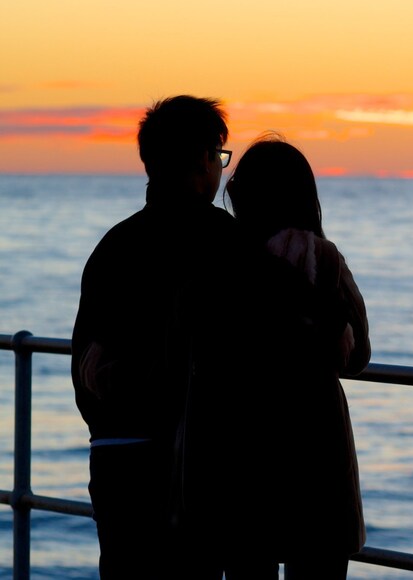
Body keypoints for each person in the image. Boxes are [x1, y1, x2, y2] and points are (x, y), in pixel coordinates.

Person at [70, 95, 243, 579]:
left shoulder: (114, 245)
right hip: (192, 465)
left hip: (115, 458)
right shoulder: (223, 241)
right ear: (204, 158)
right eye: (220, 157)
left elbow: (84, 361)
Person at [209, 133, 370, 579]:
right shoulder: (322, 258)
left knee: (247, 563)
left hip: (243, 443)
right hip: (315, 444)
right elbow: (358, 354)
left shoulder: (222, 260)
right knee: (317, 563)